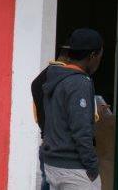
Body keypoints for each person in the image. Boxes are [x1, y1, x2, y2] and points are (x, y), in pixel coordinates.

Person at [40, 28, 104, 190]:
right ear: (92, 56)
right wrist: (92, 167)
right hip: (74, 169)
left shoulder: (54, 76)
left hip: (52, 164)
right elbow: (81, 130)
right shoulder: (79, 82)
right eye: (100, 56)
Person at [32, 52, 68, 190]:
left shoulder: (38, 81)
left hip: (46, 142)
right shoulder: (68, 82)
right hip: (63, 149)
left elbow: (37, 116)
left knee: (46, 182)